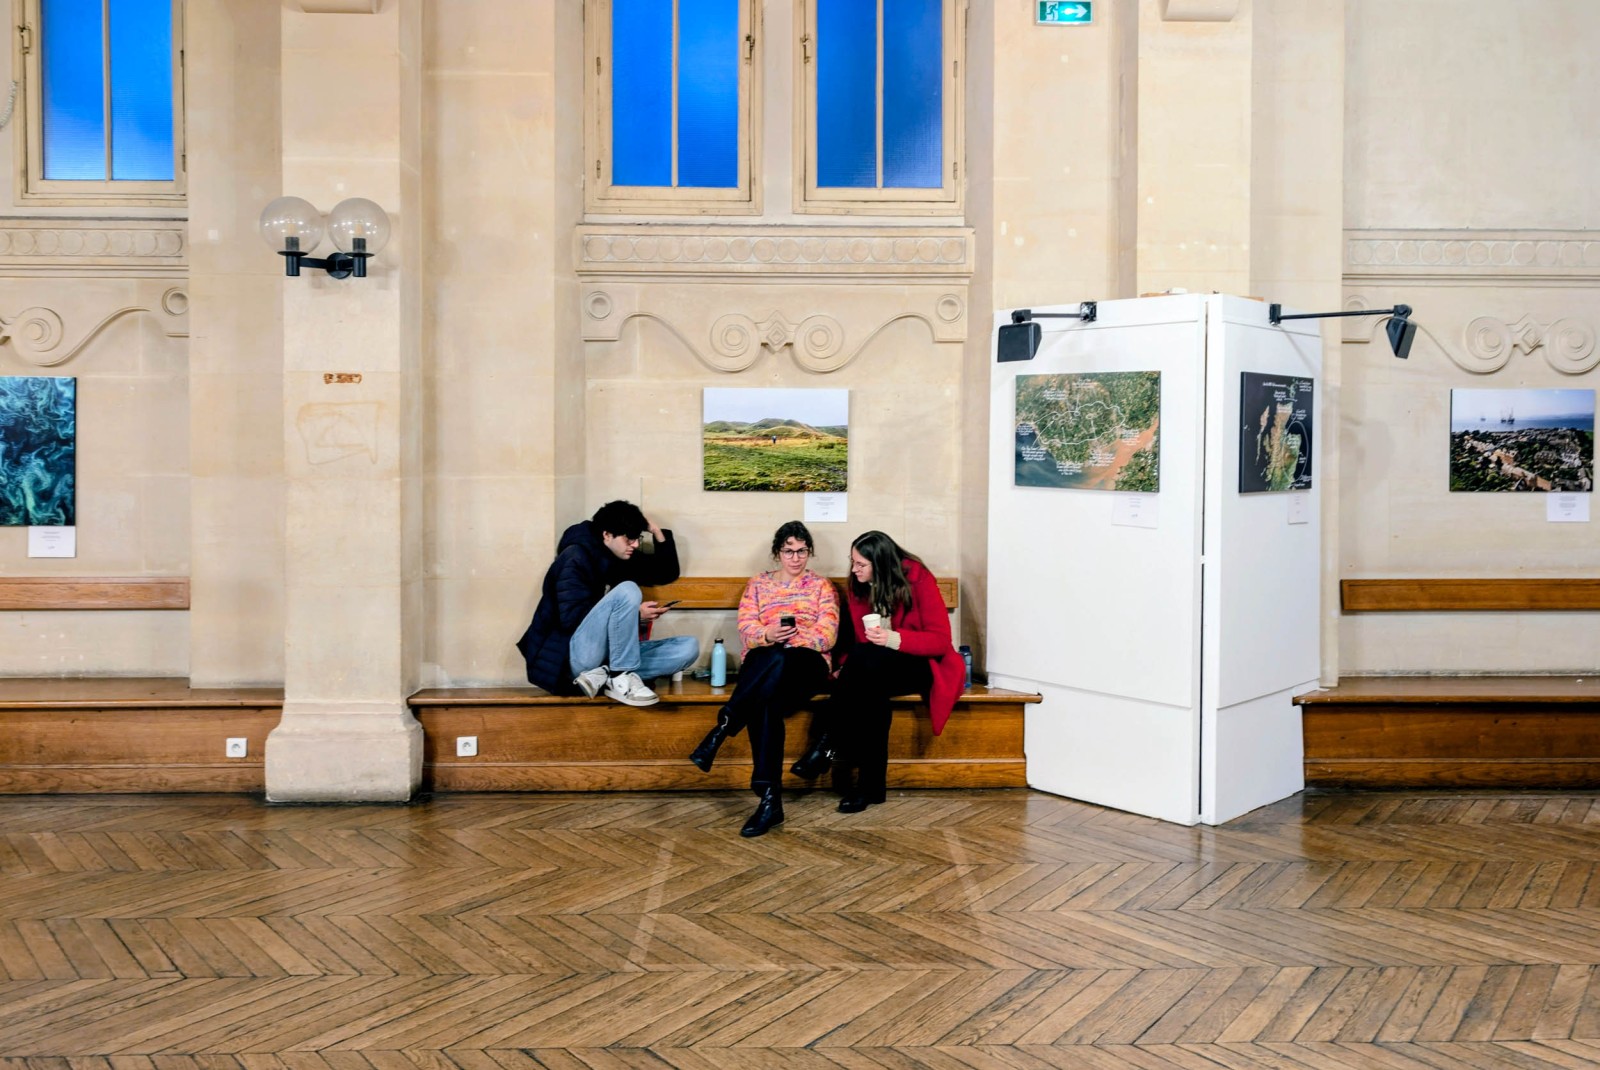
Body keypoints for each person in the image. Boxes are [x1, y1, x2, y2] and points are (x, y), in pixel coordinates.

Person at [792, 530, 963, 813]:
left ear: (880, 564)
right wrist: (845, 665)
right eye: (852, 562)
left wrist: (893, 639)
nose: (854, 569)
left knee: (866, 673)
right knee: (871, 693)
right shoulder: (859, 584)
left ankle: (826, 746)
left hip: (919, 663)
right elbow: (856, 641)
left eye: (861, 564)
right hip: (872, 668)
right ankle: (870, 788)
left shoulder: (917, 578)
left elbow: (940, 640)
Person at [688, 520, 839, 837]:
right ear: (777, 553)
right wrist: (768, 634)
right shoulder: (757, 584)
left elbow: (827, 636)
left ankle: (723, 728)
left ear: (809, 552)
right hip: (764, 664)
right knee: (765, 697)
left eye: (802, 551)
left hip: (807, 665)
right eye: (789, 551)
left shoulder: (822, 587)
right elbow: (746, 630)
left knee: (777, 659)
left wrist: (790, 639)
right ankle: (771, 801)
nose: (795, 558)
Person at [515, 501, 699, 706]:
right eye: (629, 539)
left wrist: (656, 531)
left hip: (600, 658)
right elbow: (571, 620)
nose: (635, 545)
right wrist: (635, 615)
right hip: (569, 657)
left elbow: (665, 572)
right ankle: (620, 677)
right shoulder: (574, 557)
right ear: (607, 535)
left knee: (687, 648)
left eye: (637, 538)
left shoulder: (614, 555)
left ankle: (604, 675)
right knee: (628, 589)